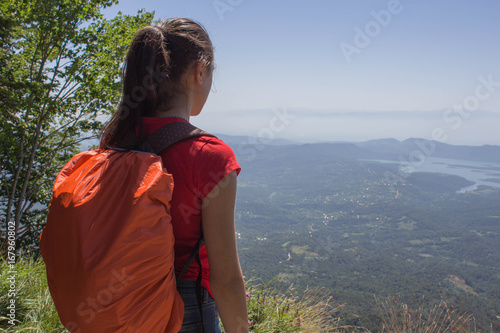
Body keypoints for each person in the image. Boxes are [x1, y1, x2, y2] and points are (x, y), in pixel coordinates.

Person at [99, 18, 248, 333]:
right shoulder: (210, 156)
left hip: (118, 308)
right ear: (200, 71)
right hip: (185, 311)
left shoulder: (114, 145)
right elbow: (226, 280)